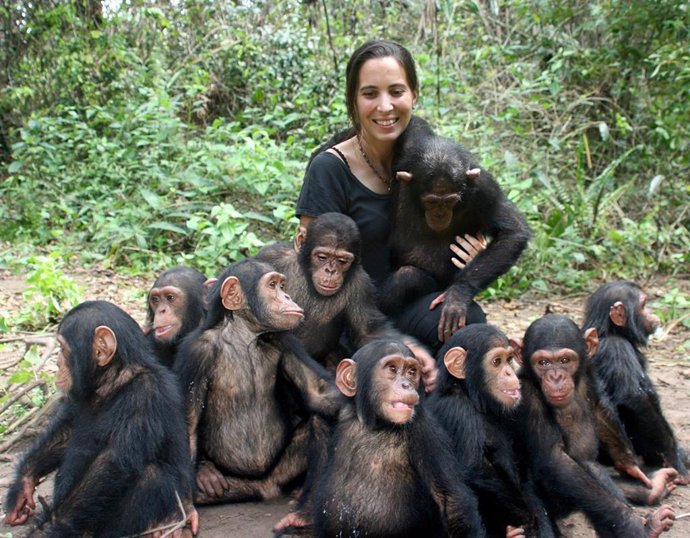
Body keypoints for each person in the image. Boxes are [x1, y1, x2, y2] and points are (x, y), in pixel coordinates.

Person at [295, 39, 486, 352]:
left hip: (414, 301)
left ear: (414, 95)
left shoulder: (431, 160)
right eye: (370, 94)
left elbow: (456, 238)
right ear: (353, 101)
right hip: (350, 318)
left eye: (396, 92)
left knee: (470, 326)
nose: (385, 107)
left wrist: (472, 258)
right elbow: (314, 278)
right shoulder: (329, 168)